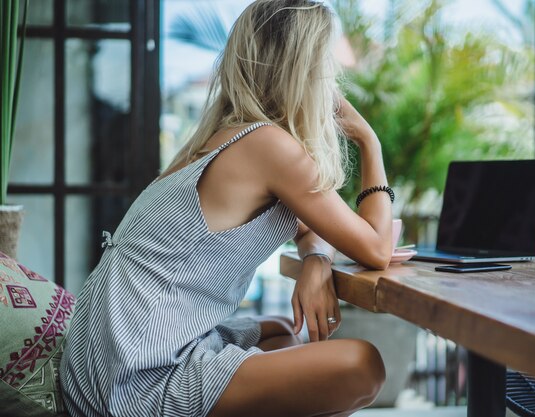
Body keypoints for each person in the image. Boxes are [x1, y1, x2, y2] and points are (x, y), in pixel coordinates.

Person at [60, 1, 394, 416]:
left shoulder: (225, 137)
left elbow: (312, 229)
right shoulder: (269, 147)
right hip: (136, 376)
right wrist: (367, 140)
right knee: (363, 366)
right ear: (306, 70)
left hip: (102, 359)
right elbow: (377, 248)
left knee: (281, 333)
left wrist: (317, 264)